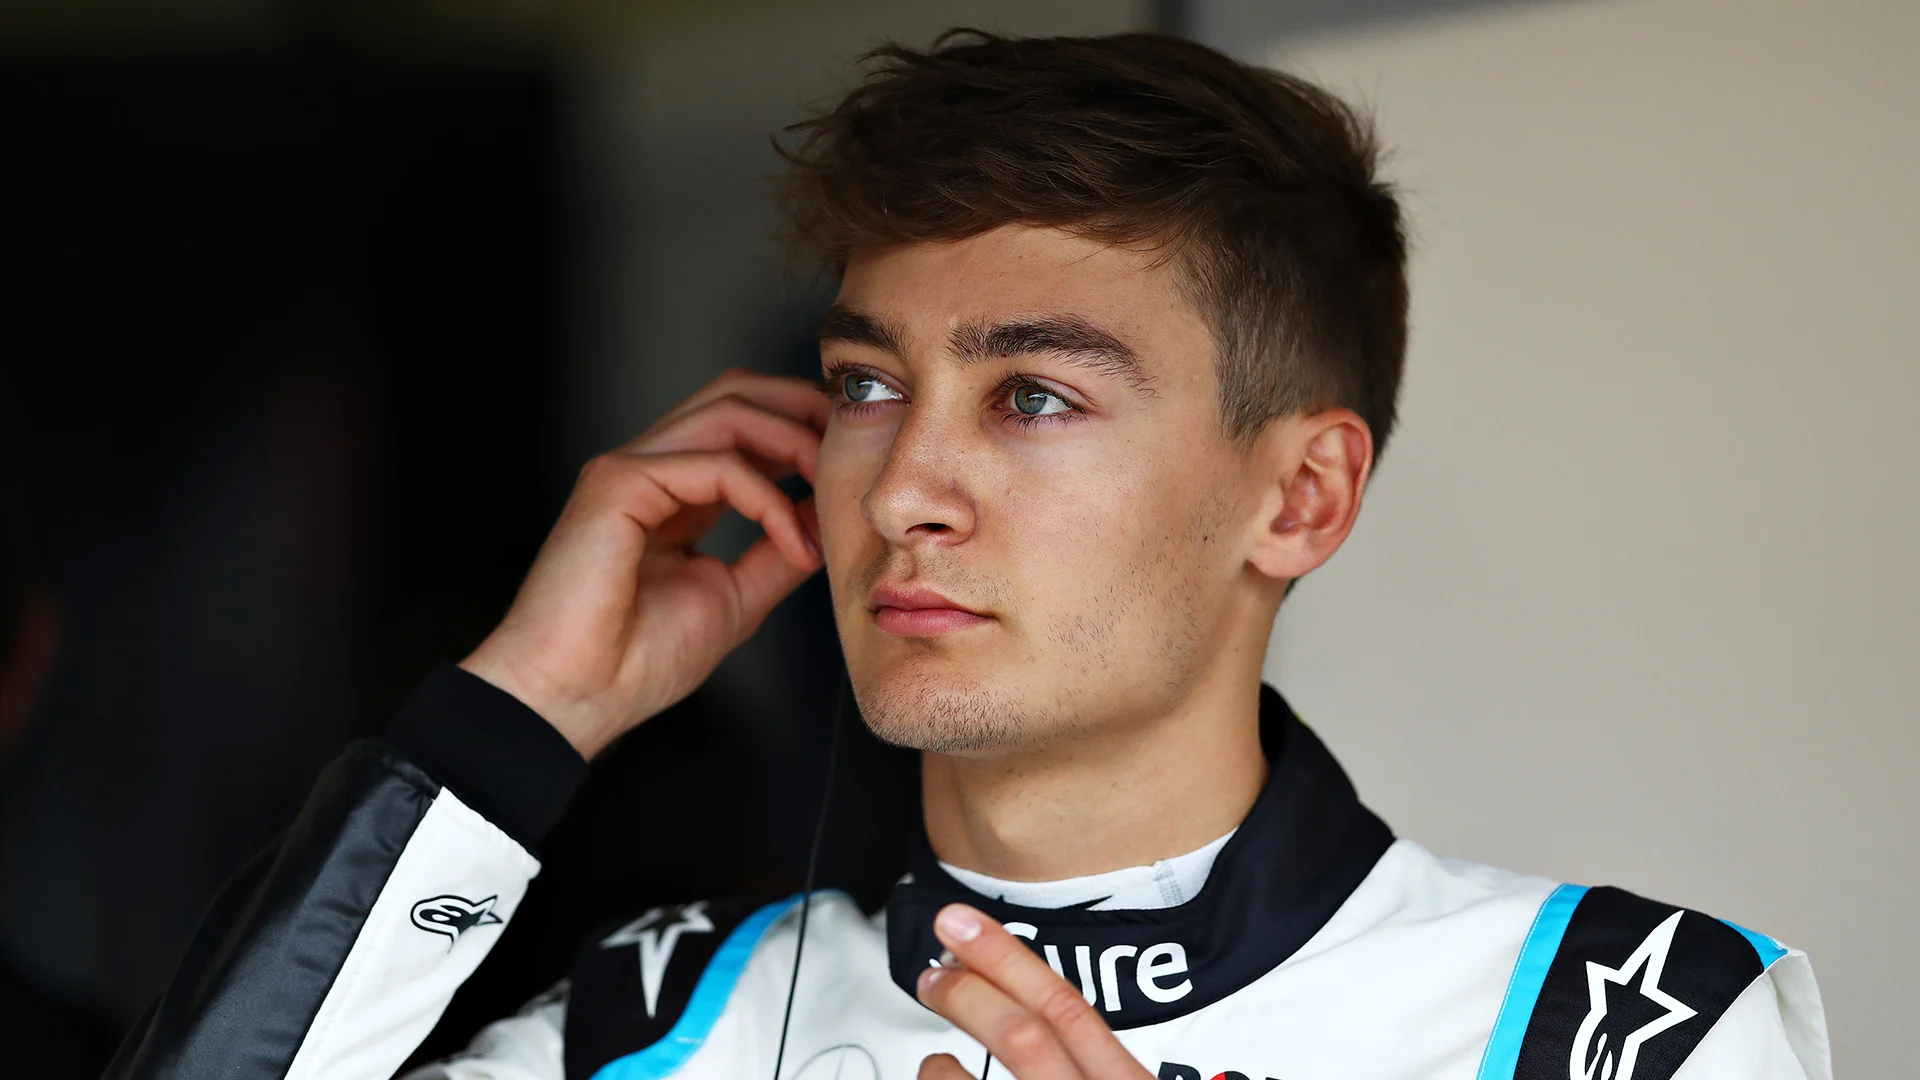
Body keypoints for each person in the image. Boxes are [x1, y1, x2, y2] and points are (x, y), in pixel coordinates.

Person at [103, 29, 1828, 1080]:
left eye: (1036, 396)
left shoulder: (1622, 1031)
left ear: (1298, 497)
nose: (908, 483)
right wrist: (515, 714)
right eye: (866, 383)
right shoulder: (659, 1016)